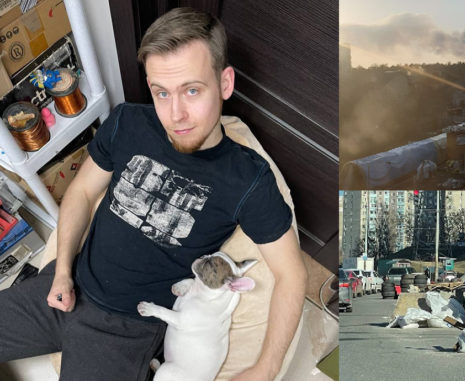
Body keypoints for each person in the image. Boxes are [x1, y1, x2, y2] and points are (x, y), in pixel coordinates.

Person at [0, 8, 307, 381]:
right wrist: (63, 270)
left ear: (225, 83)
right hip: (64, 285)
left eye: (192, 90)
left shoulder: (248, 179)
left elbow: (291, 275)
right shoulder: (128, 122)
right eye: (162, 93)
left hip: (125, 329)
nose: (175, 114)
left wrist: (265, 368)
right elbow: (81, 192)